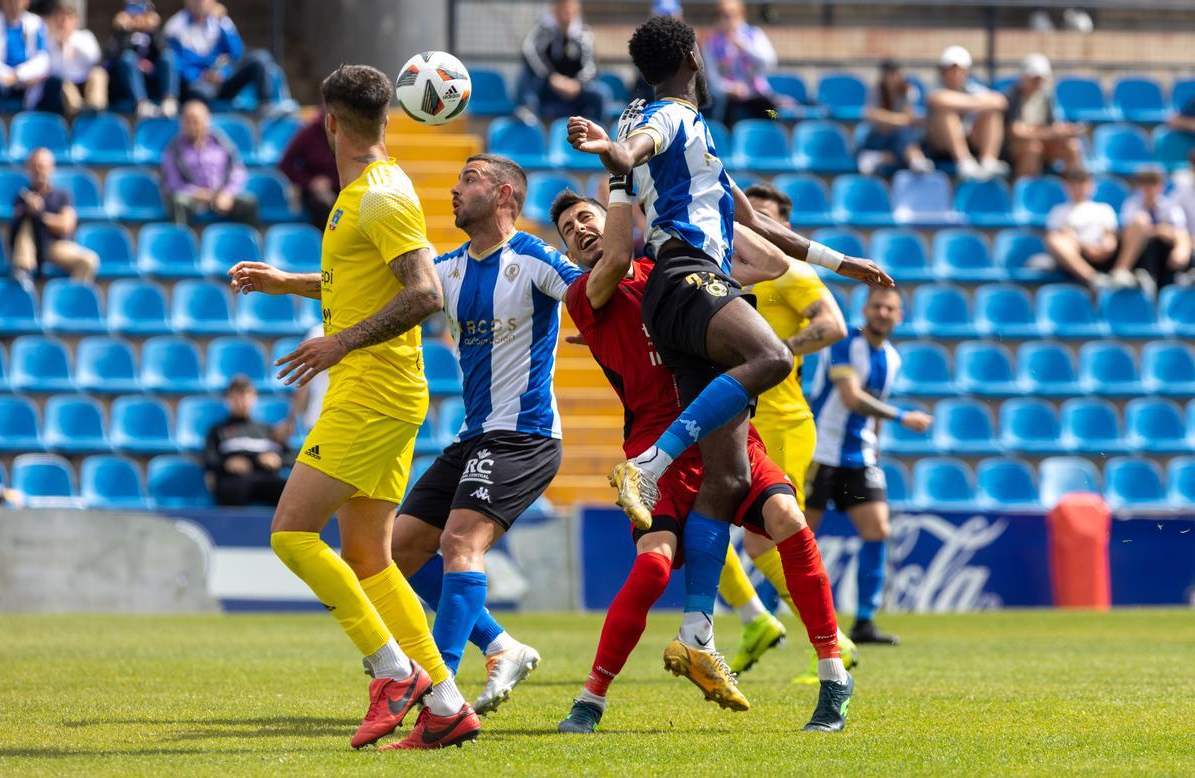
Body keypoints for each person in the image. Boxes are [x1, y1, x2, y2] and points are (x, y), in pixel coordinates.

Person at [567, 16, 890, 663]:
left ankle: (696, 633)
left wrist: (840, 262)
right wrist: (618, 156)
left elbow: (756, 222)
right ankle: (651, 464)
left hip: (677, 288)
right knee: (771, 355)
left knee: (727, 475)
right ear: (693, 56)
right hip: (688, 276)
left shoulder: (671, 130)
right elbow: (639, 149)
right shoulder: (669, 120)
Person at [225, 64, 479, 751]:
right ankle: (448, 704)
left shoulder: (379, 197)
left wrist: (340, 343)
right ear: (387, 119)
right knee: (370, 556)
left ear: (329, 122)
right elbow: (362, 284)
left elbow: (426, 293)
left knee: (291, 533)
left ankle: (392, 672)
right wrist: (290, 285)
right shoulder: (368, 193)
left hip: (372, 389)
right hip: (379, 389)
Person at [550, 185, 854, 733]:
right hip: (653, 444)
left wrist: (715, 202)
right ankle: (591, 698)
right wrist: (626, 188)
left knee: (788, 521)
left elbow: (772, 261)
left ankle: (834, 675)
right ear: (570, 254)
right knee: (652, 566)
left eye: (586, 219)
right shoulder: (585, 293)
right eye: (570, 232)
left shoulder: (676, 269)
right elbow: (617, 255)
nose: (581, 231)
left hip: (726, 429)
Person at [383, 153, 582, 718]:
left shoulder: (534, 258)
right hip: (475, 437)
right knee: (399, 548)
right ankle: (500, 645)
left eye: (468, 178)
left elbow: (588, 297)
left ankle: (436, 694)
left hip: (524, 434)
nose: (453, 188)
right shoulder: (446, 270)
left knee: (458, 545)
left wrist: (602, 328)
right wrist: (289, 283)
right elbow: (371, 294)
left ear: (503, 196)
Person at [717, 183, 854, 680]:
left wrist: (776, 350)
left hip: (783, 421)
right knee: (703, 525)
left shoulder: (793, 271)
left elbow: (834, 325)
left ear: (784, 229)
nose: (754, 228)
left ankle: (831, 642)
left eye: (766, 220)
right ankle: (760, 621)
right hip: (738, 419)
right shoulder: (724, 268)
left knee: (765, 537)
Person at [805, 287, 933, 646]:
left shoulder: (892, 358)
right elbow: (851, 396)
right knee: (799, 536)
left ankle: (864, 620)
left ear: (899, 316)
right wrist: (902, 416)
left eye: (889, 308)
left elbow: (871, 407)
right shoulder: (846, 343)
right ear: (865, 310)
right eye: (876, 306)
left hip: (859, 457)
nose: (882, 312)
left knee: (878, 529)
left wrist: (875, 444)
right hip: (821, 450)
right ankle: (771, 615)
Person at [163, 0, 279, 112]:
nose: (201, 2)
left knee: (260, 57)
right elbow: (177, 63)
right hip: (198, 83)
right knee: (198, 92)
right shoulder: (174, 27)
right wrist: (202, 75)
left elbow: (237, 52)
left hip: (224, 77)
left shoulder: (221, 21)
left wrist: (224, 72)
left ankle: (266, 107)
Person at [8, 147, 98, 284]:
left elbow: (66, 225)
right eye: (35, 166)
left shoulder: (62, 195)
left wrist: (40, 215)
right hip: (31, 247)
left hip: (55, 246)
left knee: (89, 260)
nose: (39, 170)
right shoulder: (22, 197)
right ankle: (23, 273)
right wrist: (29, 210)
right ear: (28, 169)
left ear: (51, 168)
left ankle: (70, 299)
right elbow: (14, 231)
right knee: (26, 222)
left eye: (43, 166)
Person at [161, 99, 258, 226]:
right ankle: (181, 242)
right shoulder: (174, 149)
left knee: (249, 203)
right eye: (188, 121)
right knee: (179, 201)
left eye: (196, 121)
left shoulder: (222, 143)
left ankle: (242, 243)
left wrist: (227, 194)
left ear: (206, 121)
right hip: (194, 199)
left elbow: (238, 171)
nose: (192, 125)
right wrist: (200, 194)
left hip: (222, 196)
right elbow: (173, 183)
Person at [925, 45, 1009, 181]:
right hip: (939, 146)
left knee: (992, 114)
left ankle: (988, 162)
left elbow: (1000, 102)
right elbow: (939, 100)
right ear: (942, 71)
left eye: (960, 70)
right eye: (951, 70)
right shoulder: (935, 89)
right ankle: (963, 162)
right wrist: (976, 103)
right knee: (946, 114)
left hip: (971, 139)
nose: (956, 74)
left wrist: (964, 103)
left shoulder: (973, 88)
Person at [204, 375, 289, 507]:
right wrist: (226, 464)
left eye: (246, 395)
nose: (241, 400)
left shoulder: (267, 430)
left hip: (265, 479)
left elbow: (290, 456)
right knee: (233, 489)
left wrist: (277, 459)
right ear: (228, 399)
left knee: (289, 491)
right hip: (234, 481)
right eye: (236, 395)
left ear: (254, 398)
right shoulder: (218, 430)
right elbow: (210, 460)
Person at [518, 0, 603, 121]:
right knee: (526, 75)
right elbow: (528, 50)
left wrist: (577, 83)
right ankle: (528, 121)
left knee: (600, 93)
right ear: (555, 12)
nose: (565, 16)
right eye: (561, 10)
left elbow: (591, 65)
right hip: (549, 86)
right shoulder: (544, 29)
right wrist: (551, 77)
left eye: (568, 11)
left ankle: (598, 131)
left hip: (576, 88)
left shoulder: (584, 33)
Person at [1112, 167, 1191, 294]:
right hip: (1140, 255)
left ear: (1161, 186)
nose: (1150, 189)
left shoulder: (1169, 206)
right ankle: (1121, 271)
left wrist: (1181, 249)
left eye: (1154, 183)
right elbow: (1129, 233)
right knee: (1142, 223)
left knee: (1180, 240)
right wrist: (1158, 230)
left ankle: (1183, 276)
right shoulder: (1132, 204)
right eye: (1145, 184)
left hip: (1164, 258)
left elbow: (1180, 231)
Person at [1003, 54, 1083, 179]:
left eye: (1040, 78)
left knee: (1072, 146)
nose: (1037, 82)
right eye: (1034, 78)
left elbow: (1051, 125)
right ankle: (1025, 192)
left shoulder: (1046, 97)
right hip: (1015, 148)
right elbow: (1016, 131)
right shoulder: (1012, 96)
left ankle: (1073, 189)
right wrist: (1048, 133)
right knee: (1033, 148)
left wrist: (1064, 130)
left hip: (1043, 143)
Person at [702, 0, 780, 127]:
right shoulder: (711, 42)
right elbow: (713, 79)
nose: (727, 19)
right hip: (730, 98)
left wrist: (744, 47)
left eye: (731, 14)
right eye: (722, 15)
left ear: (741, 15)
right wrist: (730, 89)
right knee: (726, 118)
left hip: (756, 94)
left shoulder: (754, 35)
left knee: (773, 113)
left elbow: (769, 63)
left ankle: (774, 136)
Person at [1045, 168, 1119, 288]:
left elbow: (1110, 236)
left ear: (1091, 186)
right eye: (1074, 184)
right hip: (1074, 258)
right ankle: (1093, 278)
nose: (1078, 188)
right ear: (1066, 187)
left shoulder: (1104, 209)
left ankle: (1119, 273)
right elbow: (1060, 239)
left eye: (1082, 183)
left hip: (1104, 256)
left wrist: (1106, 247)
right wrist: (1085, 247)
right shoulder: (1058, 212)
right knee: (1054, 240)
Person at [857, 59, 933, 175]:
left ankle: (880, 157)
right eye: (888, 73)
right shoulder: (875, 92)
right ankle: (916, 159)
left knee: (906, 136)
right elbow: (874, 117)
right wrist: (900, 120)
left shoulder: (908, 91)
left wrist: (886, 118)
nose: (892, 77)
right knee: (904, 136)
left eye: (895, 73)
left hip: (897, 139)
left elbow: (907, 119)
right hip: (877, 138)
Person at [105, 0, 179, 118]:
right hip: (127, 83)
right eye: (132, 12)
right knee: (128, 57)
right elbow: (112, 56)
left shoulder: (152, 32)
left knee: (169, 56)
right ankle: (142, 104)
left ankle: (169, 100)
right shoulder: (120, 33)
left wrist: (153, 30)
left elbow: (163, 49)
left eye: (140, 11)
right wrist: (123, 31)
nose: (136, 16)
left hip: (152, 78)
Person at [41, 2, 105, 117]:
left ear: (76, 20)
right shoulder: (49, 41)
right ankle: (79, 111)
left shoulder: (85, 36)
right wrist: (60, 47)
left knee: (98, 74)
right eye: (59, 17)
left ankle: (95, 109)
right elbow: (51, 71)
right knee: (64, 83)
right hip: (65, 87)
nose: (63, 22)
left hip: (85, 84)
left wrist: (71, 44)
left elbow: (94, 59)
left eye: (68, 17)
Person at [278, 109, 338, 230]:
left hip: (342, 189)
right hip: (313, 194)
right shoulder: (308, 133)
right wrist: (310, 182)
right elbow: (285, 165)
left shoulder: (347, 134)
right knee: (323, 205)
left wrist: (332, 183)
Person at [0, 0, 50, 113]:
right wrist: (7, 76)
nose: (14, 4)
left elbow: (42, 58)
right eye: (9, 1)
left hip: (27, 82)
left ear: (26, 2)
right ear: (1, 2)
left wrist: (18, 75)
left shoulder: (36, 23)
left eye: (18, 1)